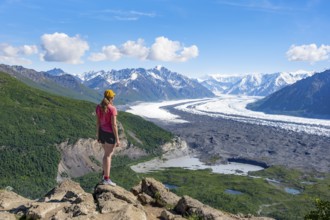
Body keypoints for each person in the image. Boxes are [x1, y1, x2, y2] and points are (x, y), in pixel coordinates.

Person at [96, 89, 120, 186]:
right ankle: (107, 179)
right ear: (111, 97)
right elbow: (114, 125)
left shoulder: (98, 107)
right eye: (113, 96)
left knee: (106, 154)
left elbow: (97, 123)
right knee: (108, 155)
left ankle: (104, 175)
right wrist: (117, 139)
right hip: (110, 134)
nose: (114, 97)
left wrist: (98, 135)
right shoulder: (112, 109)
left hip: (102, 132)